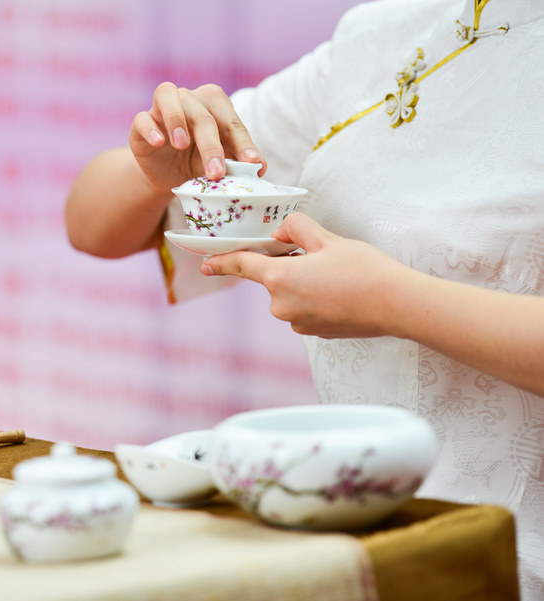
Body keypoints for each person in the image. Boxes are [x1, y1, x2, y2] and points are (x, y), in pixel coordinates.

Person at [65, 0, 544, 597]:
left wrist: (389, 301)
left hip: (506, 558)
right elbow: (92, 227)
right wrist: (158, 167)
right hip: (345, 543)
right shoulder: (386, 31)